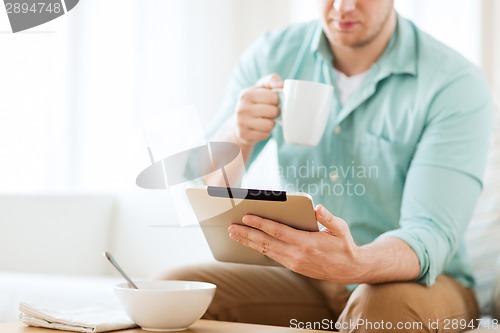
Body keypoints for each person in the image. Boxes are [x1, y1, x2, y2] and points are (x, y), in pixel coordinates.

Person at [156, 0, 495, 332]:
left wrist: (356, 264)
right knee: (169, 294)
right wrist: (237, 133)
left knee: (380, 311)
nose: (343, 7)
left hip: (419, 280)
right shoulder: (273, 54)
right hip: (304, 276)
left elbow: (431, 234)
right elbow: (213, 189)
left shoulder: (453, 83)